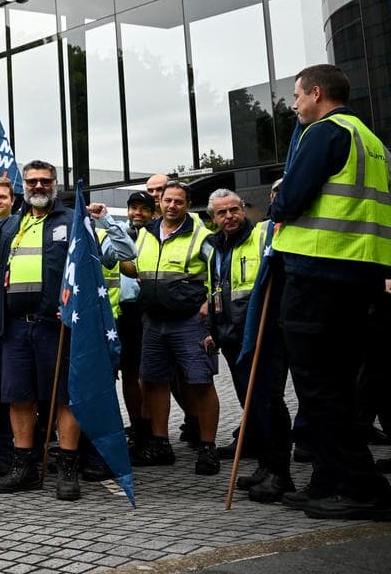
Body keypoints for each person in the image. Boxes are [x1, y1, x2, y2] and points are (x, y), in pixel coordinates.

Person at [270, 64, 391, 520]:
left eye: (298, 97)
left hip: (320, 274)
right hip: (360, 277)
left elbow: (291, 200)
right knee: (337, 386)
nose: (295, 105)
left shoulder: (324, 133)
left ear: (316, 93)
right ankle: (328, 479)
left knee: (321, 389)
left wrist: (279, 199)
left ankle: (361, 488)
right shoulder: (374, 143)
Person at [0, 161, 85, 501]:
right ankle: (25, 468)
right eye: (32, 181)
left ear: (55, 184)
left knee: (64, 397)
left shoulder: (71, 222)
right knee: (18, 396)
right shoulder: (10, 224)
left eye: (45, 181)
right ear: (23, 186)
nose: (39, 186)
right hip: (14, 328)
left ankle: (68, 468)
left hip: (56, 325)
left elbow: (90, 268)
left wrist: (76, 306)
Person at [120, 181, 220, 475]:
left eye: (179, 202)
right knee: (152, 382)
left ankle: (208, 448)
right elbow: (134, 268)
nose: (172, 206)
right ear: (159, 203)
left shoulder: (201, 234)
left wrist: (210, 302)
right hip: (152, 321)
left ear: (187, 205)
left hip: (189, 321)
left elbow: (219, 270)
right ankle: (160, 445)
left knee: (200, 382)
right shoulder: (146, 233)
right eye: (167, 201)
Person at [206, 188, 294, 502]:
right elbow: (217, 292)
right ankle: (264, 466)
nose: (230, 216)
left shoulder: (261, 235)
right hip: (231, 337)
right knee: (251, 404)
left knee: (268, 402)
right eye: (222, 213)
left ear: (243, 209)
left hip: (261, 335)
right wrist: (212, 329)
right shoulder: (215, 247)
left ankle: (280, 475)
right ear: (213, 218)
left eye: (234, 209)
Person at [117, 191, 155, 451]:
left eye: (143, 208)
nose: (137, 213)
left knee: (149, 376)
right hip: (123, 313)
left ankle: (153, 429)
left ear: (154, 213)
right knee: (129, 374)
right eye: (133, 207)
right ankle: (138, 427)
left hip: (150, 312)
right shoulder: (118, 232)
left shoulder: (157, 235)